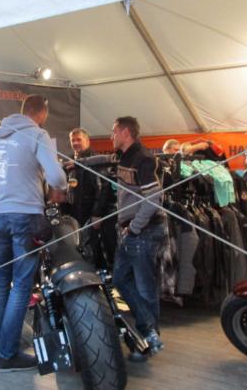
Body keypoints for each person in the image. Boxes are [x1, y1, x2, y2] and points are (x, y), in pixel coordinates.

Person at [0, 94, 67, 372]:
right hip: (26, 216)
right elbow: (57, 177)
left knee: (0, 282)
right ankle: (7, 354)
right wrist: (61, 186)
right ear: (42, 113)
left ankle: (4, 341)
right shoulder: (38, 134)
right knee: (22, 284)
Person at [111, 116, 165, 359]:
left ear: (125, 133)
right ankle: (148, 329)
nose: (111, 137)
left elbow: (154, 199)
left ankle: (150, 339)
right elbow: (102, 161)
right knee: (120, 279)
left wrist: (134, 227)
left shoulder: (143, 158)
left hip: (144, 232)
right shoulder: (123, 156)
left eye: (114, 132)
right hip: (130, 231)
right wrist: (76, 163)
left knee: (145, 289)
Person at [66, 128, 116, 268]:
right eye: (73, 140)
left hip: (93, 216)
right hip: (77, 215)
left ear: (87, 141)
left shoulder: (96, 161)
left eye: (79, 139)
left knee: (96, 251)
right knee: (81, 249)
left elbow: (104, 188)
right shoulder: (70, 161)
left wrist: (97, 214)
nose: (76, 143)